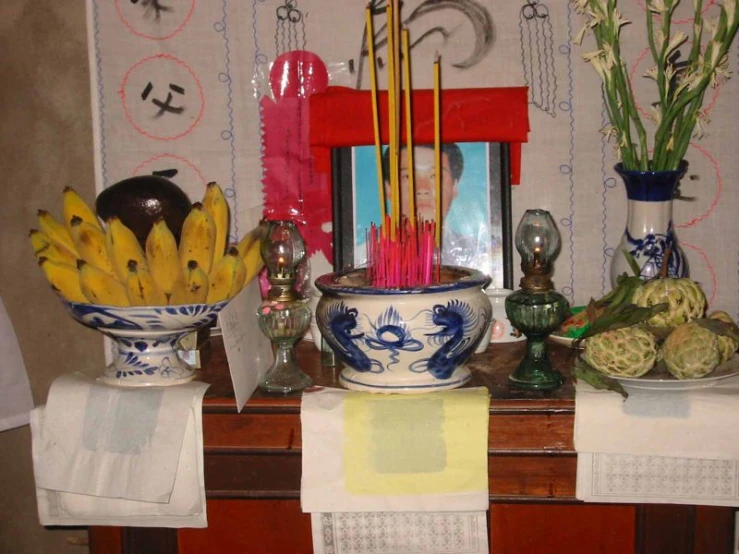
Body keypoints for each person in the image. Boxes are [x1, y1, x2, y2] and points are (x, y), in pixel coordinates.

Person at [379, 142, 492, 273]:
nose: (422, 189)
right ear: (388, 189)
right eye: (408, 177)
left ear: (454, 187)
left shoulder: (478, 253)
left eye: (435, 176)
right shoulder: (365, 255)